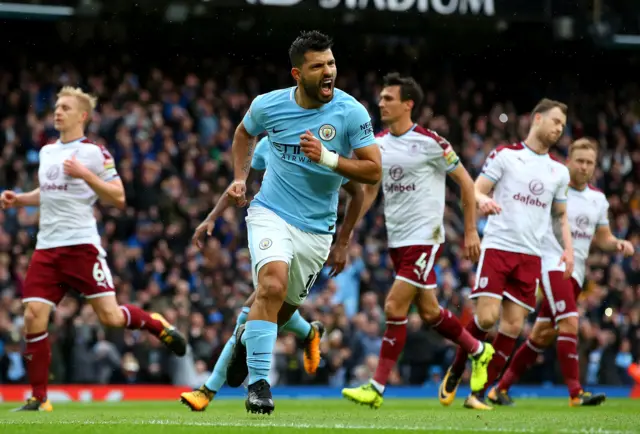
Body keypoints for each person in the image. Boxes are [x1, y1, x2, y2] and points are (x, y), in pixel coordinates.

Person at [223, 30, 381, 415]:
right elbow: (243, 134)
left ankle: (248, 339)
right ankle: (259, 385)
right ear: (297, 74)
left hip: (317, 229)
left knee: (282, 309)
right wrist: (241, 177)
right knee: (271, 284)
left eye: (331, 63)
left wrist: (328, 159)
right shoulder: (269, 106)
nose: (328, 71)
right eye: (317, 66)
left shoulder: (350, 112)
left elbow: (373, 172)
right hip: (270, 212)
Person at [0, 86, 186, 412]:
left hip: (81, 247)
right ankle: (39, 397)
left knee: (111, 318)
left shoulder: (94, 153)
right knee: (32, 316)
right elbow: (48, 191)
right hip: (47, 249)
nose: (57, 112)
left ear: (82, 116)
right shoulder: (46, 152)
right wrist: (21, 199)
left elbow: (118, 196)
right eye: (56, 106)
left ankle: (157, 324)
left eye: (65, 108)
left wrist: (85, 174)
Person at [340, 73, 493, 409]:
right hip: (398, 240)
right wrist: (348, 230)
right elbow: (369, 192)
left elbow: (467, 185)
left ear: (408, 104)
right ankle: (479, 351)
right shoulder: (378, 145)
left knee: (394, 306)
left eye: (388, 98)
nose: (381, 103)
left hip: (425, 237)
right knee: (429, 311)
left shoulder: (431, 143)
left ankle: (377, 387)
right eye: (380, 97)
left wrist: (470, 230)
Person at [180, 136, 364, 411]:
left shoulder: (327, 151)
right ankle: (209, 391)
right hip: (272, 228)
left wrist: (342, 242)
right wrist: (212, 216)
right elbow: (239, 183)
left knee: (269, 315)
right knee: (254, 310)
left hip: (311, 240)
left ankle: (308, 333)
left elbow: (358, 192)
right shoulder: (272, 142)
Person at [439, 98, 574, 410]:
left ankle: (478, 393)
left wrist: (568, 250)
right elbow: (474, 188)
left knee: (512, 327)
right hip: (500, 246)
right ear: (537, 119)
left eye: (563, 126)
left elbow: (561, 217)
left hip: (531, 254)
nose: (558, 129)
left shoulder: (559, 171)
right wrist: (482, 201)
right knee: (486, 318)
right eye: (555, 121)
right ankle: (458, 368)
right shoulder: (506, 155)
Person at [488, 138, 634, 407]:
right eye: (579, 161)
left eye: (589, 163)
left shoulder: (598, 199)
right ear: (568, 161)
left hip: (576, 273)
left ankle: (499, 388)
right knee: (570, 322)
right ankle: (576, 393)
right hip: (552, 264)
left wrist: (616, 244)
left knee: (541, 336)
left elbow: (601, 238)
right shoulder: (553, 189)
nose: (584, 167)